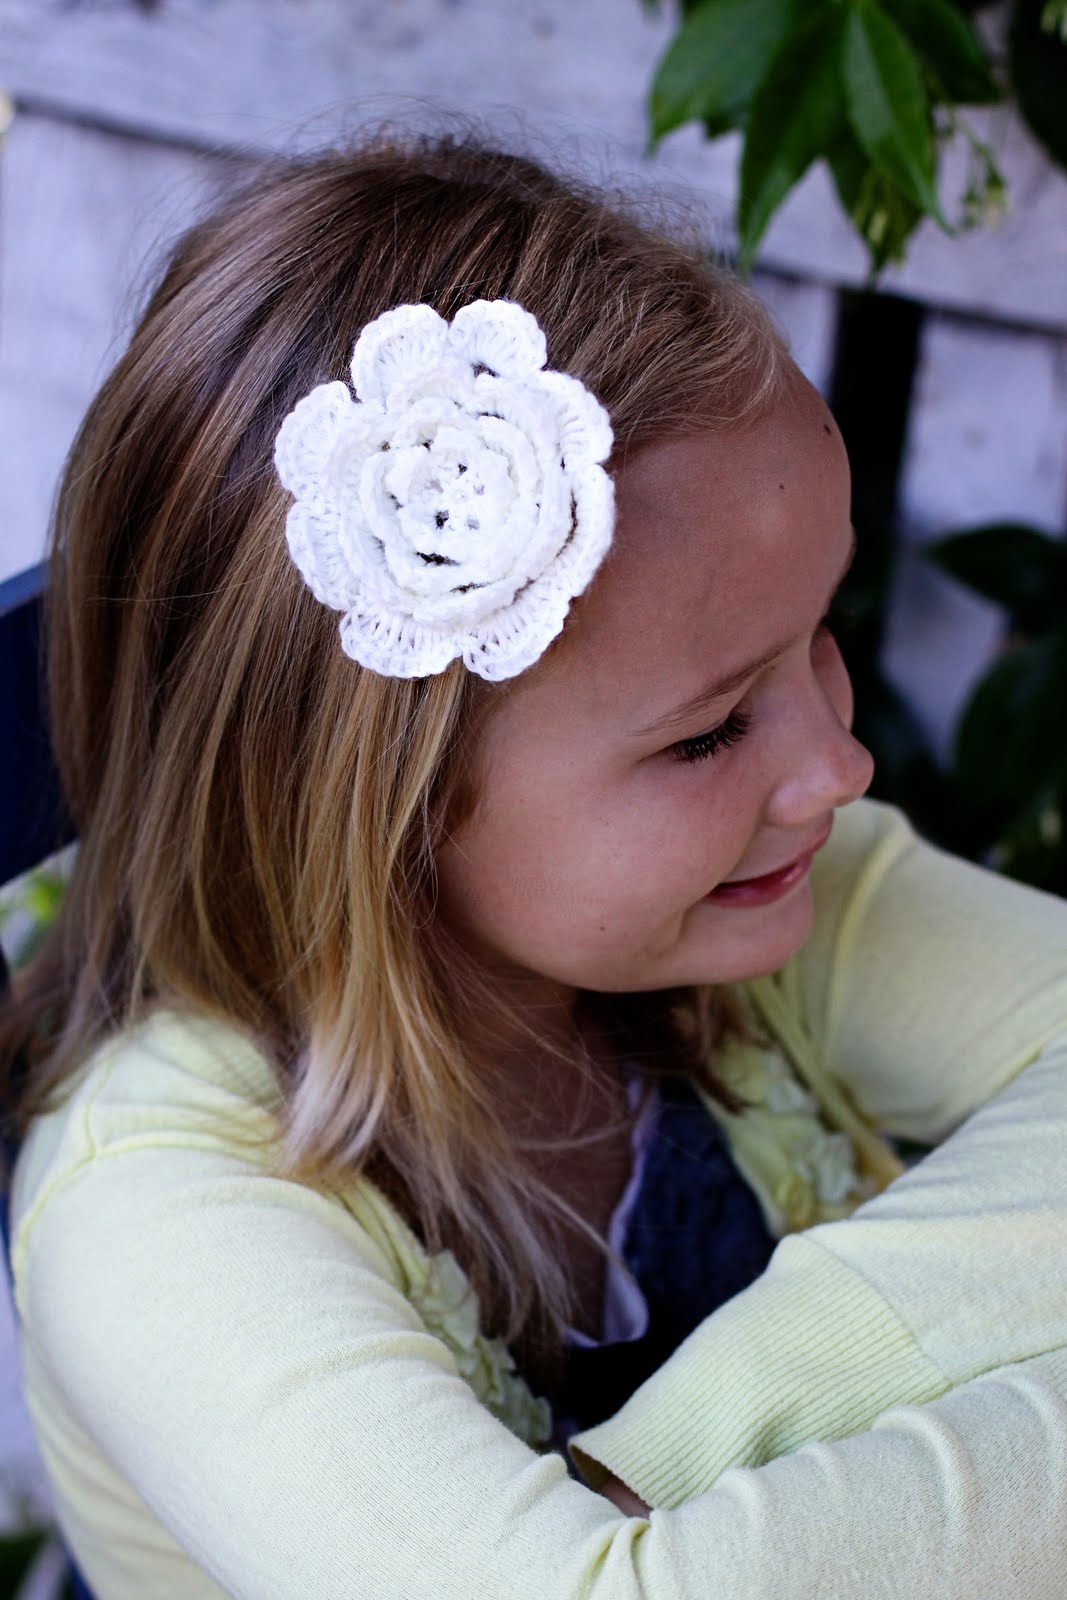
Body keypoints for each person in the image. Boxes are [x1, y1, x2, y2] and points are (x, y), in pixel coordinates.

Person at [2, 132, 1067, 1599]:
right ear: (367, 809)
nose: (838, 764)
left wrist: (717, 1422)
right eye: (708, 733)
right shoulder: (155, 1215)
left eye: (820, 632)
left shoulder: (767, 891)